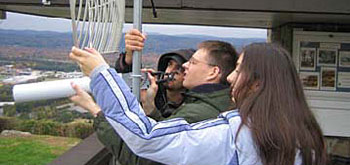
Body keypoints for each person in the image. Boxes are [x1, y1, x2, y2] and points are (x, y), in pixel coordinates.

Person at [70, 42, 327, 165]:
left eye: (239, 70)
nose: (231, 78)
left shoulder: (235, 134)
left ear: (258, 83)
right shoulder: (304, 136)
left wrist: (101, 74)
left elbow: (147, 139)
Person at [71, 36, 238, 165]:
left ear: (213, 72)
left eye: (192, 62)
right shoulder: (212, 104)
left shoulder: (197, 113)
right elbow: (168, 141)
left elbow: (141, 156)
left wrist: (95, 110)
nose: (186, 66)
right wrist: (151, 108)